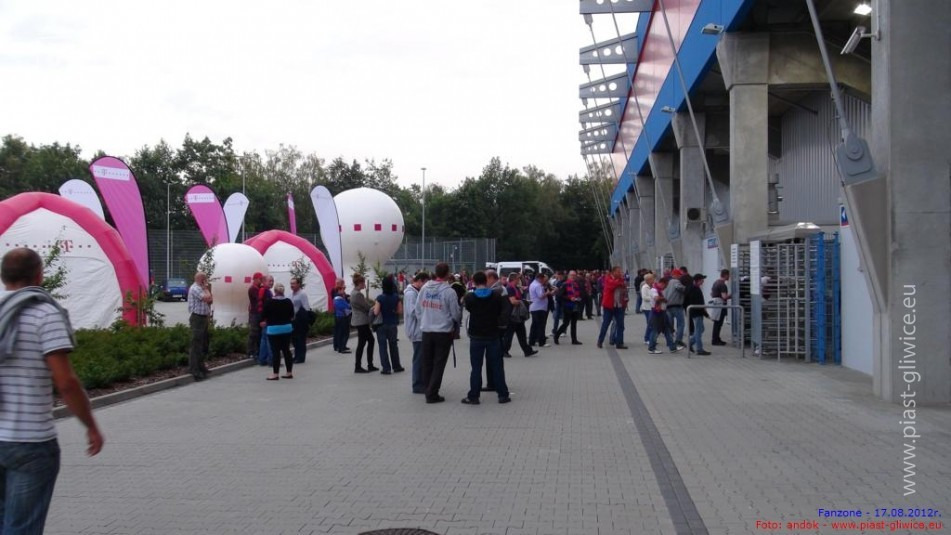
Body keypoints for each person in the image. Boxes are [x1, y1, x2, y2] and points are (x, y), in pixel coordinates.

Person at [0, 248, 104, 533]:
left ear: (3, 276)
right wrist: (91, 426)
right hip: (31, 441)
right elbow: (66, 382)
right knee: (21, 528)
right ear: (39, 275)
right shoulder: (45, 314)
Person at [462, 271, 511, 405]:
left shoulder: (470, 297)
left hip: (476, 335)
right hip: (493, 334)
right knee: (497, 366)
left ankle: (474, 396)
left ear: (473, 282)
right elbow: (501, 311)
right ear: (486, 280)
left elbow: (469, 309)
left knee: (476, 367)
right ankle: (502, 395)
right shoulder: (496, 296)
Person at [416, 262, 461, 404]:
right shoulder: (449, 292)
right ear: (447, 274)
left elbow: (418, 309)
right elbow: (455, 313)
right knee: (439, 363)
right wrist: (454, 323)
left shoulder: (424, 288)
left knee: (427, 362)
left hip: (426, 331)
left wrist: (424, 321)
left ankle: (428, 388)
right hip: (443, 332)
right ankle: (432, 393)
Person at [262, 283, 295, 380]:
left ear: (275, 291)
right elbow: (292, 315)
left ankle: (275, 374)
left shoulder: (269, 302)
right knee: (286, 350)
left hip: (274, 330)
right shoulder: (288, 301)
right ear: (283, 291)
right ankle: (289, 373)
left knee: (275, 352)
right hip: (287, 328)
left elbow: (263, 315)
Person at [403, 271, 429, 392]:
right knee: (418, 358)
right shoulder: (410, 294)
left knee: (422, 358)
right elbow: (413, 311)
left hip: (419, 329)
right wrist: (426, 311)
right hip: (416, 330)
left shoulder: (416, 292)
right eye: (425, 283)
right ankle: (417, 384)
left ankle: (422, 381)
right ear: (419, 281)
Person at [374, 274, 404, 375]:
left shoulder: (380, 298)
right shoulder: (396, 297)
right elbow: (400, 311)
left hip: (381, 325)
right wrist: (393, 312)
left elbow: (376, 312)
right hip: (392, 324)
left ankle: (386, 368)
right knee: (393, 345)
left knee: (382, 347)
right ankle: (397, 366)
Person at [502, 272, 537, 358]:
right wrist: (524, 302)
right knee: (509, 335)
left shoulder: (515, 288)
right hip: (512, 314)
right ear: (514, 279)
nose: (519, 280)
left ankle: (527, 351)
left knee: (521, 334)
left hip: (517, 314)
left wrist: (523, 301)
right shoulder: (510, 288)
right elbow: (513, 301)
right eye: (518, 278)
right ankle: (504, 351)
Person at [187, 271, 213, 381]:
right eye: (204, 279)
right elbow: (207, 298)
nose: (206, 281)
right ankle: (194, 369)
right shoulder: (195, 288)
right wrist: (207, 289)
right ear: (201, 279)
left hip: (203, 317)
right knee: (196, 344)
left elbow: (210, 300)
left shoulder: (201, 288)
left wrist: (207, 292)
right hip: (197, 318)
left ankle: (201, 366)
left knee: (203, 343)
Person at [349, 274, 377, 373]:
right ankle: (366, 365)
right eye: (363, 283)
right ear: (359, 283)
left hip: (359, 321)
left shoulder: (353, 293)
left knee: (363, 342)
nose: (364, 284)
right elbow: (366, 306)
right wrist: (375, 306)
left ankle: (361, 365)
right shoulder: (358, 294)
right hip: (361, 321)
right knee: (368, 341)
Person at [596, 266, 627, 349]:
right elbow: (612, 285)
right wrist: (619, 282)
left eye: (620, 272)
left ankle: (619, 343)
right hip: (609, 306)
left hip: (619, 305)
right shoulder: (607, 278)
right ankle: (600, 341)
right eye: (618, 272)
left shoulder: (620, 279)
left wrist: (620, 282)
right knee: (605, 324)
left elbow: (623, 285)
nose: (620, 273)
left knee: (620, 325)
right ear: (613, 272)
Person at [648, 278, 680, 354]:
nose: (665, 287)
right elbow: (656, 298)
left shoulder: (659, 290)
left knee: (667, 330)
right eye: (666, 285)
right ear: (662, 283)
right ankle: (651, 348)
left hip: (662, 312)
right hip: (656, 313)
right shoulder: (654, 290)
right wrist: (664, 299)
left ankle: (672, 347)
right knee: (655, 331)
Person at [553, 270, 582, 345]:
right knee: (566, 323)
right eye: (572, 275)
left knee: (574, 324)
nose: (573, 277)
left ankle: (574, 340)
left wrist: (579, 298)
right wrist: (569, 298)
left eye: (574, 275)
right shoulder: (565, 284)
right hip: (567, 306)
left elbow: (579, 294)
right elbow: (559, 295)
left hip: (575, 306)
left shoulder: (576, 284)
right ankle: (556, 335)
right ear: (568, 276)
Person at [686, 273, 711, 355]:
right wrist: (706, 314)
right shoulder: (694, 289)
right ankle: (699, 349)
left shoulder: (694, 288)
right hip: (697, 313)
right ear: (697, 280)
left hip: (695, 312)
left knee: (700, 329)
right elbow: (698, 304)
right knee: (698, 331)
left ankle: (690, 343)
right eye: (701, 280)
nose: (703, 281)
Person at [528, 273, 553, 348]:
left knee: (534, 325)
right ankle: (541, 342)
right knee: (540, 325)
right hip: (539, 307)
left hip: (534, 307)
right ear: (540, 278)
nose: (543, 281)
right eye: (543, 279)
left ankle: (531, 341)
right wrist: (547, 293)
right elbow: (541, 296)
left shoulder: (532, 284)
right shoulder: (538, 285)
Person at [664, 269, 688, 349]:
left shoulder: (668, 282)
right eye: (680, 275)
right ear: (675, 275)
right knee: (681, 324)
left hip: (668, 306)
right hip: (676, 305)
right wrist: (687, 288)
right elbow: (679, 287)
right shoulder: (676, 281)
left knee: (670, 325)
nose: (681, 276)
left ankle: (670, 341)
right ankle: (678, 340)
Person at [289, 277, 311, 364]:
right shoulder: (290, 294)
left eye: (294, 283)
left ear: (298, 284)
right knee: (295, 339)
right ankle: (296, 355)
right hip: (292, 320)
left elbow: (306, 307)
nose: (292, 285)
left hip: (300, 320)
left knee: (301, 339)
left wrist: (303, 318)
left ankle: (301, 357)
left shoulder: (302, 294)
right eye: (291, 283)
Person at [710, 269, 731, 346]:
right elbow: (724, 297)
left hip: (716, 304)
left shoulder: (716, 282)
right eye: (728, 275)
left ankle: (716, 338)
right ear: (725, 275)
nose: (729, 277)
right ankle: (715, 340)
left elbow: (711, 294)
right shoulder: (722, 285)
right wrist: (732, 295)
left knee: (717, 322)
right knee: (718, 323)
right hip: (721, 305)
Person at [247, 272, 264, 360]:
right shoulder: (253, 289)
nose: (261, 281)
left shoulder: (258, 288)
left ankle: (257, 351)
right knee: (254, 333)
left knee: (258, 333)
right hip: (254, 313)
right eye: (260, 279)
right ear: (256, 279)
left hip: (258, 313)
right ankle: (251, 351)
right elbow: (259, 298)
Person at [332, 280, 351, 354]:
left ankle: (341, 346)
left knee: (342, 332)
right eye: (343, 289)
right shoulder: (338, 298)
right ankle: (341, 347)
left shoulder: (340, 297)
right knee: (344, 332)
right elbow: (345, 306)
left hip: (341, 316)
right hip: (342, 316)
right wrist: (348, 305)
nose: (344, 290)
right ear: (339, 290)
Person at [639, 272, 655, 345]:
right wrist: (653, 298)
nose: (653, 280)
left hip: (651, 307)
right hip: (647, 308)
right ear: (648, 280)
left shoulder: (652, 286)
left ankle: (651, 338)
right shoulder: (645, 287)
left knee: (651, 323)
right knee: (650, 323)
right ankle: (647, 338)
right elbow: (644, 297)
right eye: (652, 279)